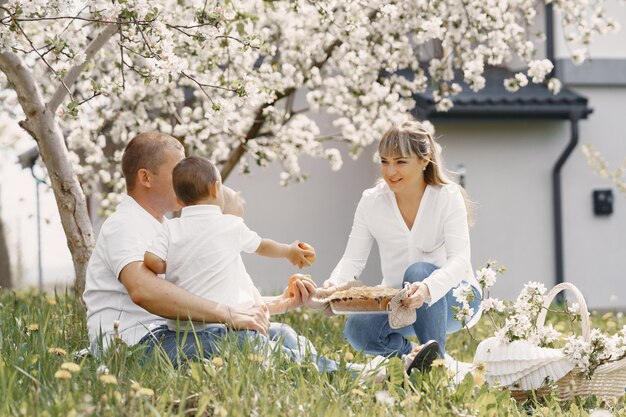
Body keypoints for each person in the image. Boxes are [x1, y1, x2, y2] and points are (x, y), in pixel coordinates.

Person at [83, 132, 316, 364]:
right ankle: (325, 372)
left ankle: (327, 373)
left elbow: (199, 296)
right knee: (244, 342)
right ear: (145, 177)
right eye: (177, 171)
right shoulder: (125, 224)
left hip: (173, 333)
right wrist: (229, 314)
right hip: (136, 344)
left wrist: (280, 302)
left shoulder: (168, 228)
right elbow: (144, 290)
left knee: (282, 334)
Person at [323, 120, 482, 363]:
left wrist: (428, 288)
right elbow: (353, 260)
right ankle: (414, 360)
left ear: (424, 160)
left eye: (400, 162)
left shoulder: (447, 197)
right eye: (385, 161)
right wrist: (333, 286)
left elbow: (460, 260)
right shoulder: (371, 201)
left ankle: (436, 364)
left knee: (418, 271)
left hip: (457, 300)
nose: (390, 172)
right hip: (400, 303)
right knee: (358, 329)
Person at [143, 155, 314, 333]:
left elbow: (150, 259)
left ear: (178, 201)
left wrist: (169, 266)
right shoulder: (231, 225)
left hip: (183, 330)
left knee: (280, 335)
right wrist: (289, 251)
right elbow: (263, 247)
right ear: (216, 188)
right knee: (280, 340)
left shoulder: (170, 228)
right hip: (226, 326)